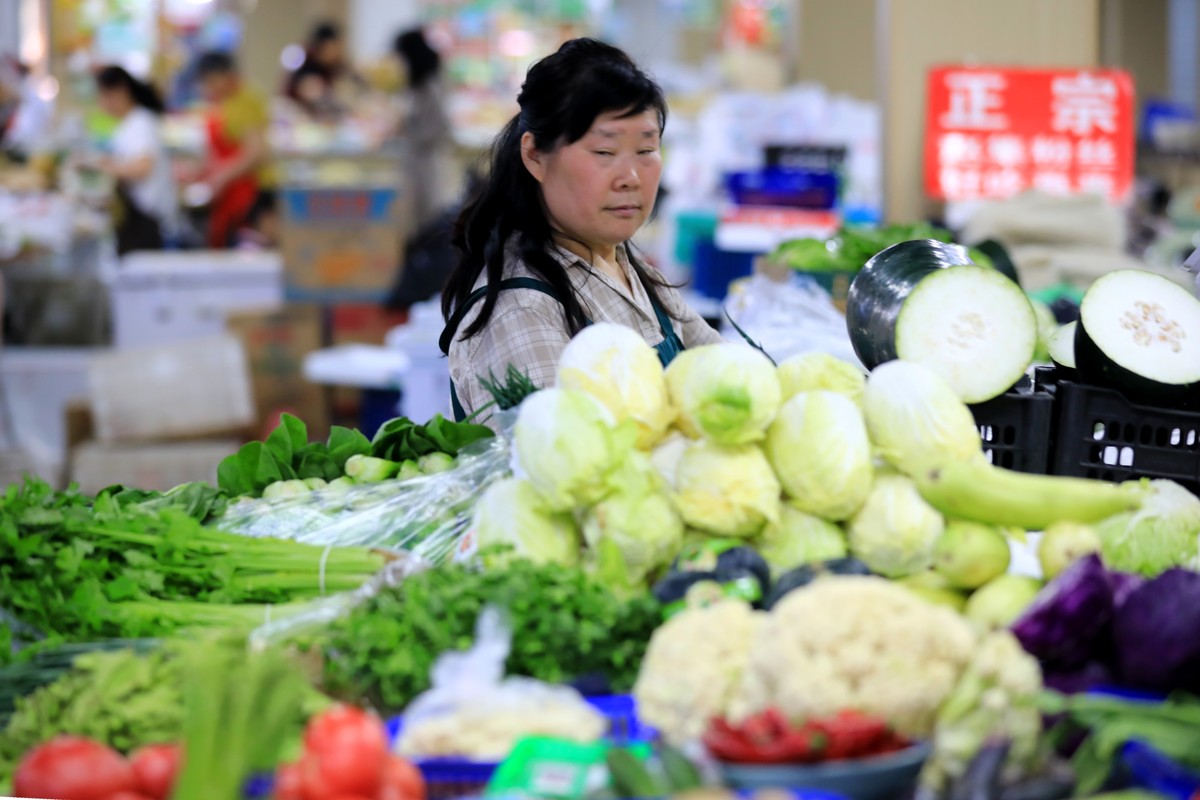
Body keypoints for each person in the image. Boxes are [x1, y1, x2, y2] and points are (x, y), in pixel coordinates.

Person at [439, 38, 724, 422]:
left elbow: (722, 365)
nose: (631, 177)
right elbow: (557, 452)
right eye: (605, 153)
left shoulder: (624, 263)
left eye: (645, 150)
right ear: (535, 156)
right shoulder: (524, 308)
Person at [92, 66, 180, 255]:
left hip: (150, 220)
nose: (101, 103)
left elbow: (143, 168)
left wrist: (103, 168)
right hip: (141, 219)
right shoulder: (128, 125)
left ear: (120, 92)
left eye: (104, 95)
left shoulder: (140, 122)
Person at [194, 51, 272, 248]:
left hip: (248, 193)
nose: (210, 87)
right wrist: (199, 172)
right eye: (206, 82)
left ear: (229, 75)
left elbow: (256, 153)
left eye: (213, 81)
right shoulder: (220, 102)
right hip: (227, 193)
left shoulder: (247, 100)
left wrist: (222, 176)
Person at [393, 27, 452, 231]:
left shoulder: (431, 85)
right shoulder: (418, 84)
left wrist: (410, 132)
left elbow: (439, 126)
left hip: (429, 158)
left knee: (431, 216)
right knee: (419, 215)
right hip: (418, 156)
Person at [284, 22, 351, 122]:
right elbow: (312, 92)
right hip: (295, 119)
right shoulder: (306, 64)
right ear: (323, 46)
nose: (338, 52)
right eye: (334, 47)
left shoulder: (331, 67)